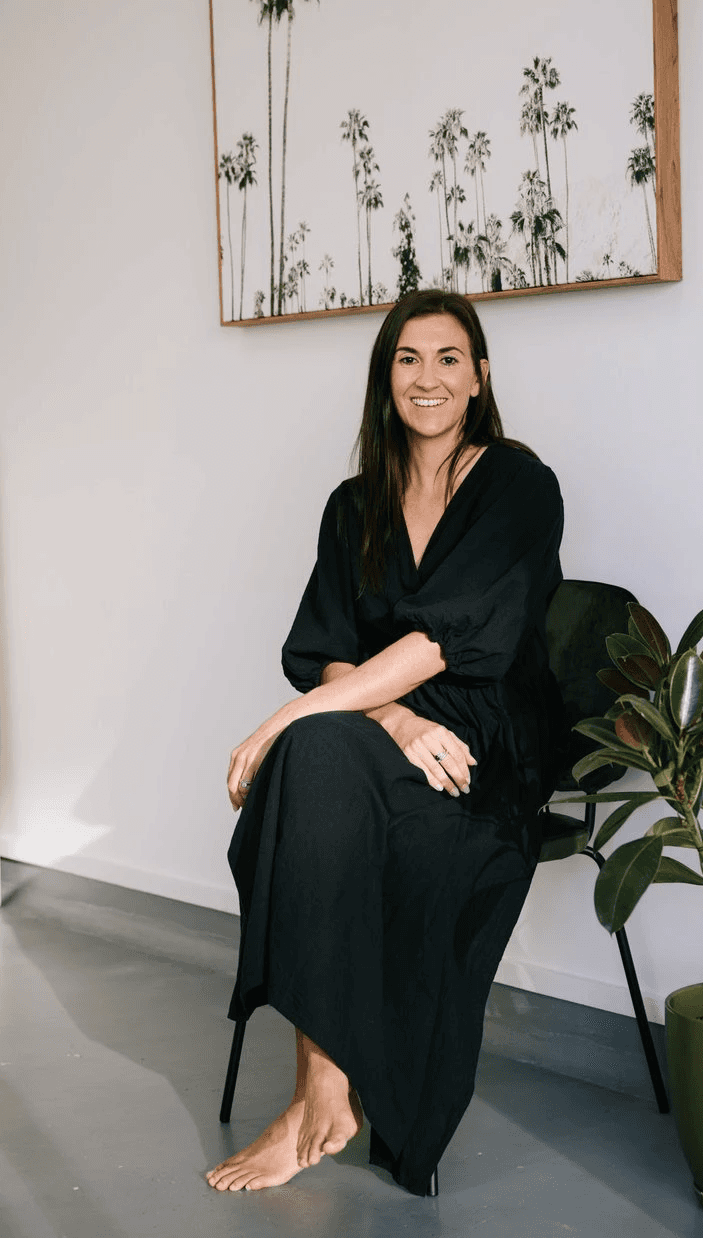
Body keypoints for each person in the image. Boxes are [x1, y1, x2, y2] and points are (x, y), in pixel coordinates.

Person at [206, 289, 564, 1196]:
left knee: (302, 750)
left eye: (448, 358)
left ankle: (320, 1097)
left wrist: (280, 720)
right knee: (315, 758)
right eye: (408, 358)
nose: (427, 377)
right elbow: (328, 650)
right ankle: (322, 1087)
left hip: (482, 750)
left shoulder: (518, 485)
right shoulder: (353, 505)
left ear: (479, 378)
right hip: (385, 730)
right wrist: (393, 720)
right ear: (385, 377)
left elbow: (445, 641)